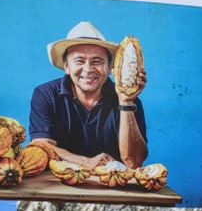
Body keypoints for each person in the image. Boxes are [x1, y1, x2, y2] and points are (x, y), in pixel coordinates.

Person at [29, 21, 148, 170]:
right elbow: (41, 146)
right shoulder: (46, 94)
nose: (88, 69)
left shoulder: (130, 102)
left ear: (110, 68)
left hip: (112, 185)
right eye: (79, 61)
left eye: (97, 61)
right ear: (66, 66)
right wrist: (85, 162)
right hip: (57, 182)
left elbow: (133, 162)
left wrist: (126, 102)